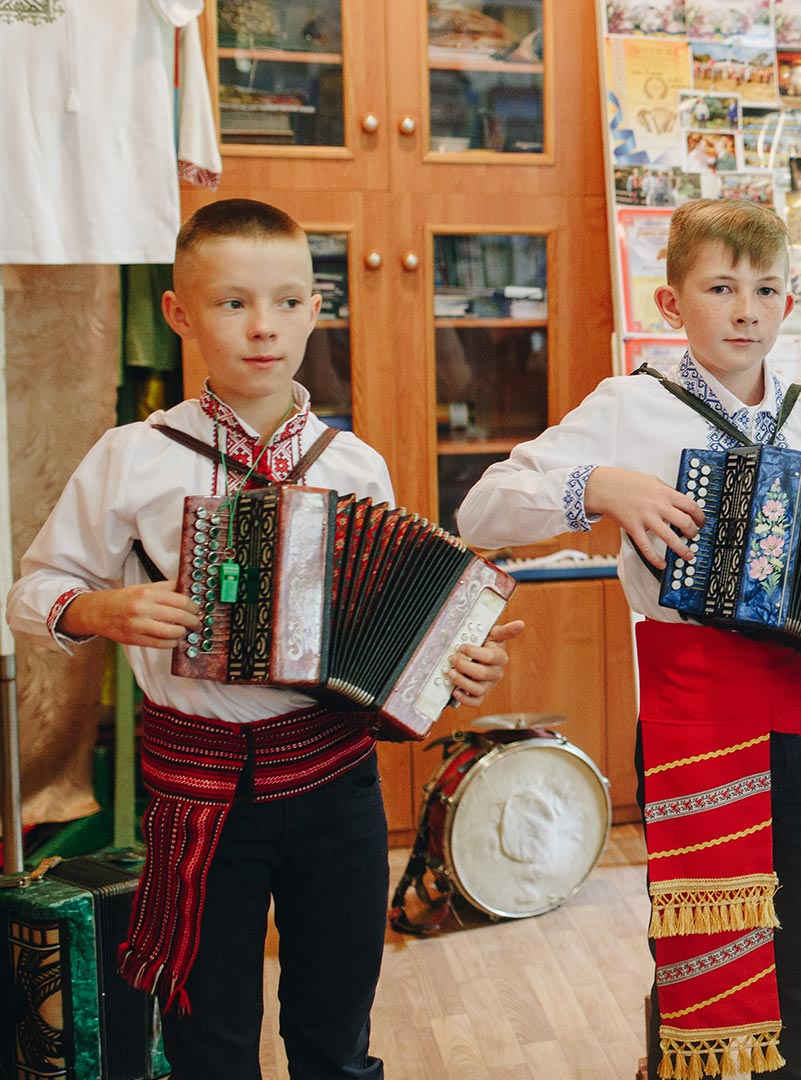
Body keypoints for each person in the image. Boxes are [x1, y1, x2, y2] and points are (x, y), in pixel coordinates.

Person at [456, 199, 801, 1080]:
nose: (745, 310)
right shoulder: (630, 407)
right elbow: (482, 508)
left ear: (790, 299)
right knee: (697, 959)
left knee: (800, 953)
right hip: (691, 713)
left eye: (766, 289)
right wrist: (603, 485)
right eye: (720, 288)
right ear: (671, 305)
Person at [4, 197, 521, 1079]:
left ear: (316, 309)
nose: (262, 328)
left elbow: (392, 626)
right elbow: (32, 589)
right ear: (179, 313)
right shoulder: (135, 454)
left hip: (337, 788)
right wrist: (101, 612)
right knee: (211, 1040)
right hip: (199, 792)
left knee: (336, 1027)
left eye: (287, 302)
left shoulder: (354, 465)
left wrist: (453, 664)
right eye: (231, 302)